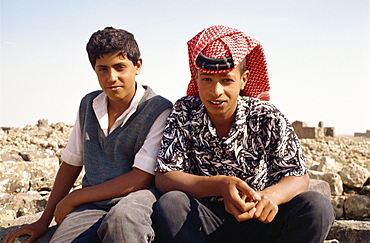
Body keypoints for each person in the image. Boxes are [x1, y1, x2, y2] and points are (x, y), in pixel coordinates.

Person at [153, 25, 334, 243]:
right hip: (205, 220)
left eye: (226, 80)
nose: (216, 91)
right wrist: (219, 184)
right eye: (207, 79)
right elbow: (165, 177)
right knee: (171, 204)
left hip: (260, 218)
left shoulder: (266, 116)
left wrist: (271, 196)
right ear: (197, 77)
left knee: (317, 207)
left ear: (244, 80)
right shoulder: (184, 111)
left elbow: (297, 175)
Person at [4, 27, 172, 243]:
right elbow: (71, 163)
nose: (111, 77)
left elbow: (140, 178)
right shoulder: (89, 105)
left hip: (137, 199)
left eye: (120, 67)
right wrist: (43, 220)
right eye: (103, 69)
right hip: (94, 204)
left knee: (121, 223)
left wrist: (76, 197)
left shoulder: (158, 108)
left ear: (137, 65)